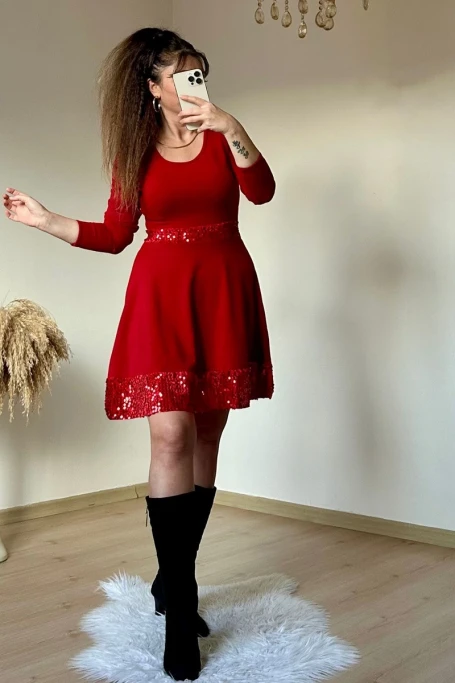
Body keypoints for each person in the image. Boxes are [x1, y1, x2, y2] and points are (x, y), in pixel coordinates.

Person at [3, 28, 275, 681]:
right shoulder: (134, 152)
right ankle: (180, 609)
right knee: (170, 435)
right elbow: (115, 233)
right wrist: (45, 219)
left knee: (207, 434)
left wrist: (232, 125)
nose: (193, 84)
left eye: (198, 72)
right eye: (180, 74)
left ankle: (173, 577)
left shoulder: (222, 137)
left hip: (222, 293)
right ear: (152, 87)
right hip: (161, 300)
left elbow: (262, 190)